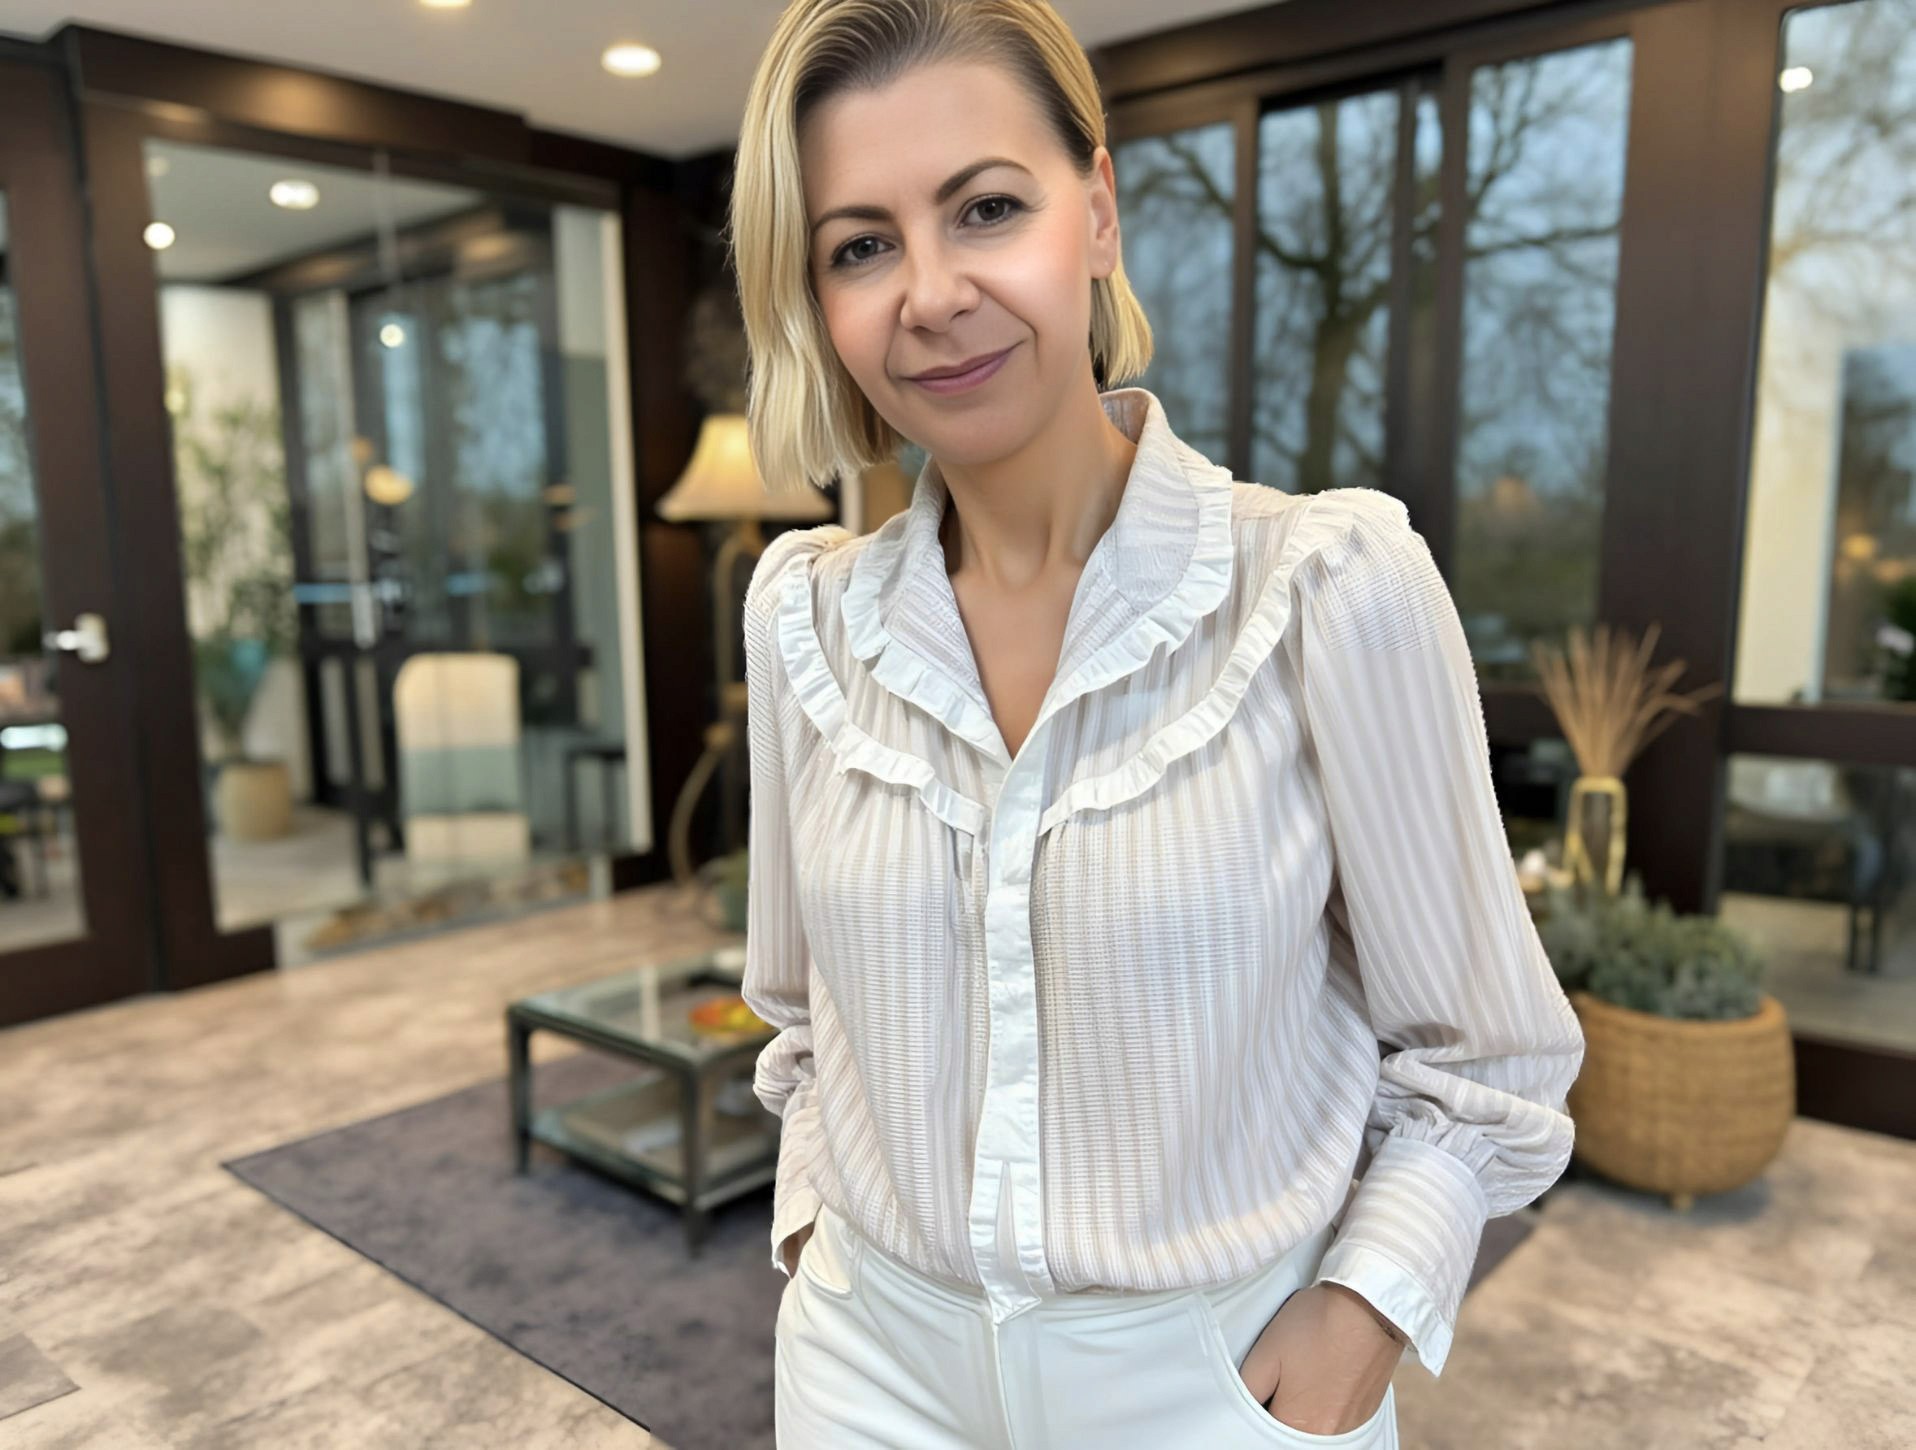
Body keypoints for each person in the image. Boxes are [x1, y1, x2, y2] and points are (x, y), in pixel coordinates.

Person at [727, 2, 1587, 1445]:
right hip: (867, 1372)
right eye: (859, 245)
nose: (930, 293)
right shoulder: (801, 618)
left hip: (1214, 1384)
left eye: (986, 208)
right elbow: (805, 1021)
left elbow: (1486, 1057)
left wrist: (1365, 1310)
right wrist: (817, 1226)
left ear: (1099, 213)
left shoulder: (1323, 586)